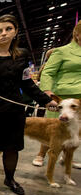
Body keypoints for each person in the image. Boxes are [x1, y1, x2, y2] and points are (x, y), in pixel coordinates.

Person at [0, 14, 58, 195]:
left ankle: (10, 179)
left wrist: (46, 101)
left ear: (15, 32)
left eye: (8, 29)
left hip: (14, 111)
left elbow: (27, 84)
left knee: (12, 147)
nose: (4, 34)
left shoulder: (22, 56)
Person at [32, 20, 81, 168]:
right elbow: (48, 72)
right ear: (77, 34)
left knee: (74, 131)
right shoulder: (62, 51)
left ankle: (67, 158)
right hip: (63, 96)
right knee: (54, 129)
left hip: (80, 100)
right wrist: (47, 91)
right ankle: (41, 154)